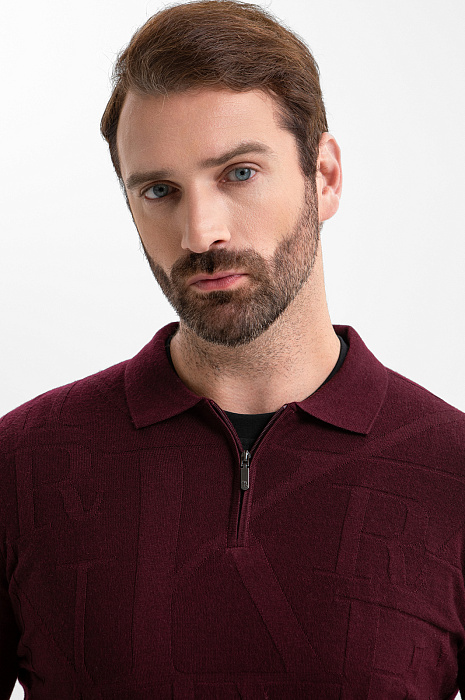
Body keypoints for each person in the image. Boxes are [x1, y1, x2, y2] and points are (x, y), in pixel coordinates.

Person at [1, 0, 464, 697]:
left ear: (324, 176)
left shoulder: (452, 473)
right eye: (159, 190)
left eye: (238, 173)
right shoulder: (20, 466)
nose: (200, 232)